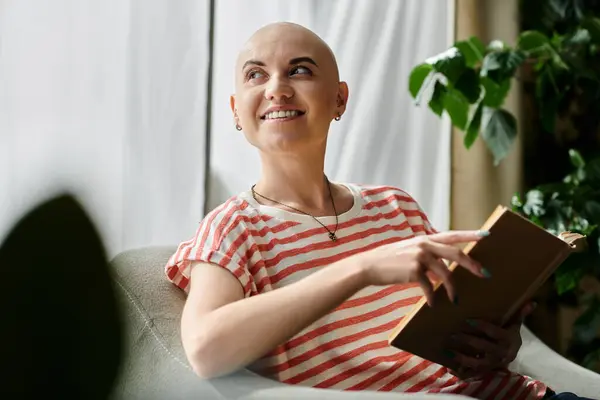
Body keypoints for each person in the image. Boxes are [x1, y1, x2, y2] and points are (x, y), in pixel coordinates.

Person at [165, 22, 595, 400]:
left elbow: (446, 323)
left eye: (300, 70)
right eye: (255, 74)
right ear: (236, 111)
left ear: (339, 99)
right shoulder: (231, 227)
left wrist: (499, 345)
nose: (276, 87)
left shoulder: (396, 205)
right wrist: (363, 268)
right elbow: (205, 349)